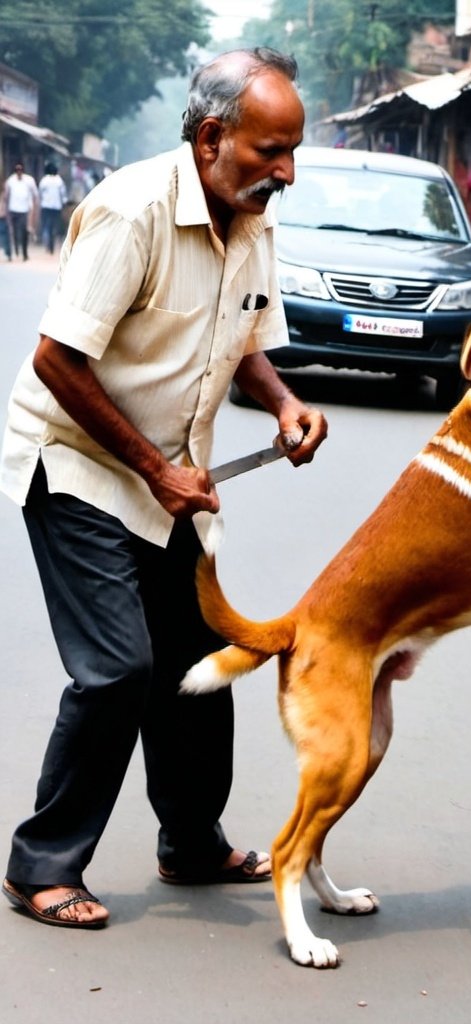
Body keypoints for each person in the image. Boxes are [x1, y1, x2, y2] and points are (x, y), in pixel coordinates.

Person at [0, 47, 328, 930]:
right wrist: (155, 469)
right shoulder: (132, 210)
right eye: (271, 152)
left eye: (294, 151)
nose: (286, 173)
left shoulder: (252, 218)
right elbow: (57, 360)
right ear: (213, 136)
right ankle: (41, 867)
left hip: (173, 479)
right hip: (78, 465)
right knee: (118, 669)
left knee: (198, 658)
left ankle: (190, 841)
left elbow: (244, 337)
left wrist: (287, 403)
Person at [3, 162, 39, 261]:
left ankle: (24, 253)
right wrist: (5, 210)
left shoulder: (29, 180)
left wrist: (35, 209)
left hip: (24, 210)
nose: (19, 172)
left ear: (22, 170)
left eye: (20, 170)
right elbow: (6, 196)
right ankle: (16, 249)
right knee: (14, 232)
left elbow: (35, 194)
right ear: (15, 171)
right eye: (17, 170)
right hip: (13, 209)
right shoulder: (10, 180)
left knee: (24, 231)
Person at [37, 162, 68, 254]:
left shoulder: (44, 180)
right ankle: (52, 245)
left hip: (46, 206)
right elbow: (63, 195)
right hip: (56, 207)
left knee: (46, 226)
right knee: (54, 227)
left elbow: (40, 194)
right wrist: (64, 203)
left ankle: (47, 244)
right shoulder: (59, 181)